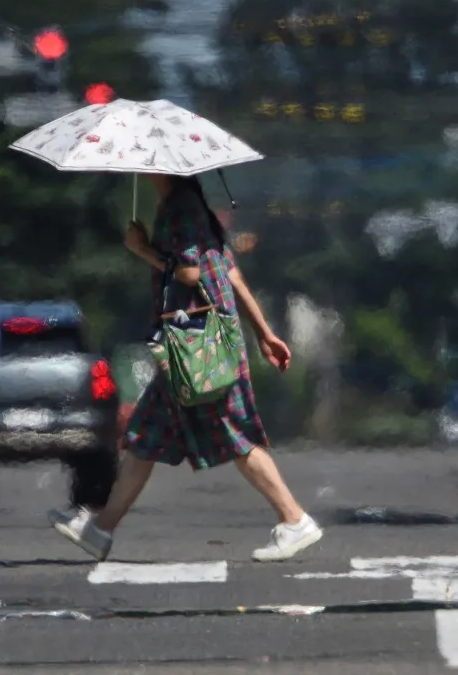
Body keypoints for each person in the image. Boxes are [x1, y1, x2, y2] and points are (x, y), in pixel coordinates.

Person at [48, 174, 322, 563]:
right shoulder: (194, 208)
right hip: (195, 341)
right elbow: (230, 272)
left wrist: (141, 250)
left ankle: (295, 520)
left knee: (232, 431)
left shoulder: (181, 209)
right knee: (146, 434)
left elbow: (189, 273)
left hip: (199, 345)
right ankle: (101, 529)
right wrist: (264, 332)